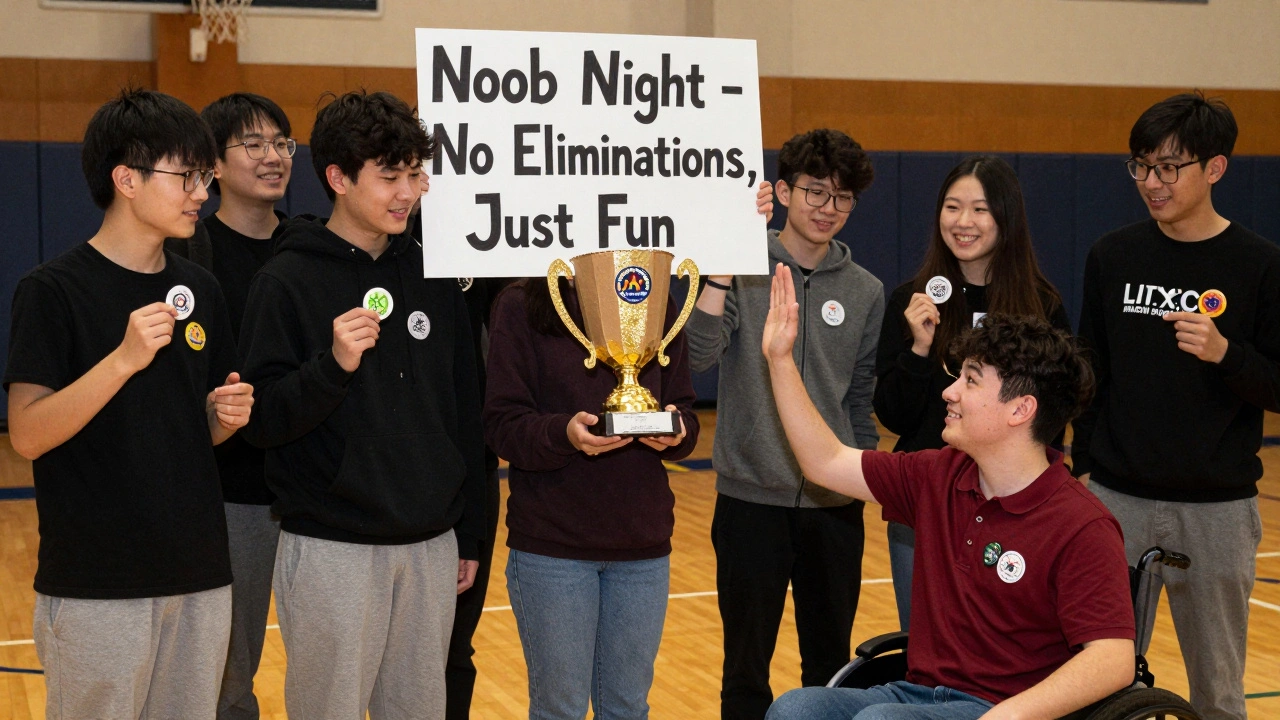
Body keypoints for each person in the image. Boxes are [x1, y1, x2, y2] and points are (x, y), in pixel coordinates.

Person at [760, 266, 1135, 719]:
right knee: (795, 709)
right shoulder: (938, 473)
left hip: (1008, 709)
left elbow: (1113, 660)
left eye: (971, 380)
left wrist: (1009, 715)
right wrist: (780, 360)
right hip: (918, 695)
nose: (950, 392)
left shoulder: (1081, 524)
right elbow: (824, 462)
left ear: (1020, 409)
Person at [4, 88, 254, 719]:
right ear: (127, 180)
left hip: (199, 572)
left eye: (205, 176)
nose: (202, 191)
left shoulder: (199, 288)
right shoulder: (51, 292)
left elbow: (193, 431)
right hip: (98, 584)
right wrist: (121, 360)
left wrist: (222, 419)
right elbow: (27, 434)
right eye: (186, 175)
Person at [237, 90, 485, 720]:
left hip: (430, 545)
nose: (407, 193)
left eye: (415, 175)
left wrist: (470, 532)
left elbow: (466, 415)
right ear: (339, 179)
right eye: (390, 177)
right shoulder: (286, 281)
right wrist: (331, 367)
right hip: (330, 548)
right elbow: (260, 420)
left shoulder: (435, 273)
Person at [1072, 92, 1280, 720]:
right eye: (1140, 166)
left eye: (1168, 167)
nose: (1151, 183)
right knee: (1096, 680)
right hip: (1115, 498)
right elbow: (1090, 372)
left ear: (1215, 168)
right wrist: (1085, 469)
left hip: (1216, 511)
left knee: (1217, 691)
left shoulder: (1260, 266)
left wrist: (1226, 354)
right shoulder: (1113, 255)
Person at [685, 128, 882, 719]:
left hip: (834, 508)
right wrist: (720, 270)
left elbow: (860, 397)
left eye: (843, 198)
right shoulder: (740, 268)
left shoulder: (865, 290)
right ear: (783, 192)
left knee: (830, 670)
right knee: (745, 670)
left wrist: (864, 478)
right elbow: (696, 355)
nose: (828, 209)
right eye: (816, 193)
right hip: (750, 503)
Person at [873, 155, 1072, 630]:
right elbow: (894, 417)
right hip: (926, 504)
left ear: (1006, 218)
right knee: (922, 643)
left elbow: (1053, 418)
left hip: (1015, 506)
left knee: (1007, 641)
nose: (963, 222)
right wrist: (919, 349)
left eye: (980, 210)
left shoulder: (1042, 306)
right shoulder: (911, 300)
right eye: (952, 207)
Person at [165, 91, 295, 720]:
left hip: (318, 498)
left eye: (282, 144)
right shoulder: (187, 257)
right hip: (231, 497)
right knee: (226, 678)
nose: (272, 157)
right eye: (253, 144)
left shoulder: (313, 248)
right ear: (213, 165)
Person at [405, 172, 512, 720]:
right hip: (400, 475)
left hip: (471, 465)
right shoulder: (393, 243)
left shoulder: (492, 240)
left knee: (454, 649)